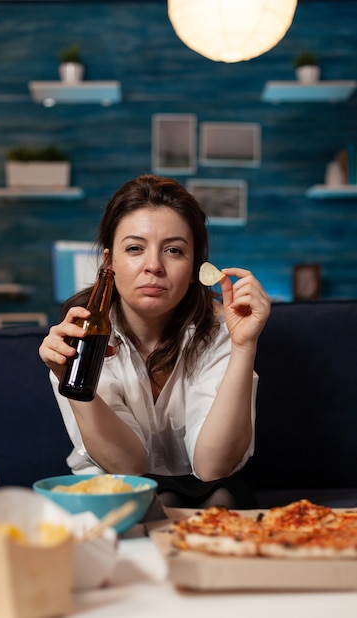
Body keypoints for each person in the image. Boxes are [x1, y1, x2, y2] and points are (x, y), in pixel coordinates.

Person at [39, 174, 271, 513]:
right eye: (134, 249)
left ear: (194, 268)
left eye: (174, 250)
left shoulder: (224, 328)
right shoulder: (77, 337)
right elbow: (127, 467)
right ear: (109, 263)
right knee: (150, 504)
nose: (153, 266)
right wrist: (70, 379)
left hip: (211, 497)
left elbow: (212, 466)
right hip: (114, 495)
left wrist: (244, 347)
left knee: (221, 497)